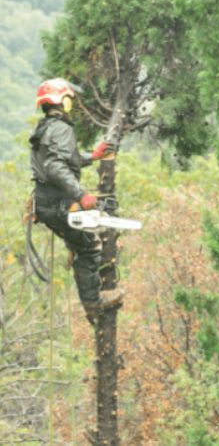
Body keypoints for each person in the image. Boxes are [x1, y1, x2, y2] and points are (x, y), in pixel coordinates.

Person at [29, 78, 124, 323]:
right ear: (64, 100)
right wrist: (81, 194)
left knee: (79, 239)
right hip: (57, 204)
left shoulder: (45, 128)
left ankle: (88, 291)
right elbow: (55, 167)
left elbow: (64, 158)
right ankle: (93, 303)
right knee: (89, 249)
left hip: (46, 203)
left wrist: (92, 156)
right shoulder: (61, 129)